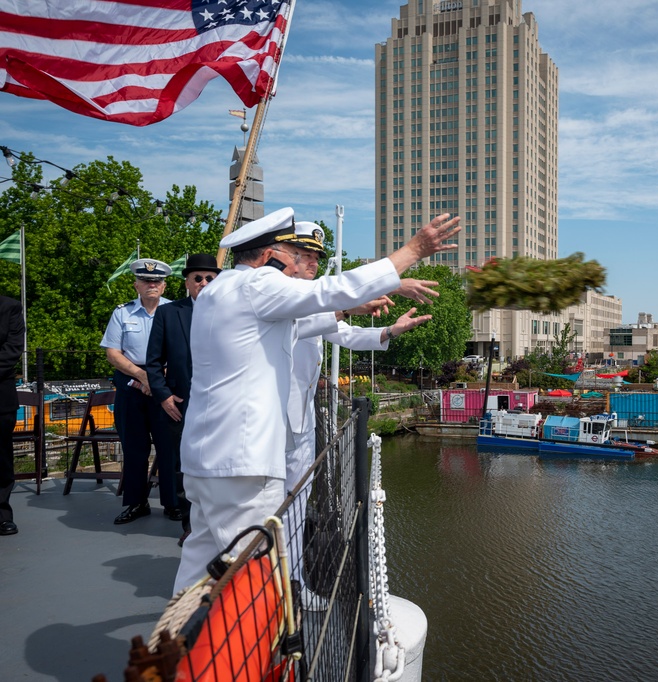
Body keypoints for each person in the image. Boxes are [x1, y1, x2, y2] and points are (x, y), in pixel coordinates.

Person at [172, 208, 460, 594]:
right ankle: (258, 649)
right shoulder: (258, 285)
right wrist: (411, 251)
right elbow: (327, 292)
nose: (296, 264)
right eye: (293, 254)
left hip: (205, 457)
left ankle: (170, 649)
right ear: (267, 256)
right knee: (249, 572)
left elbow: (309, 319)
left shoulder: (218, 292)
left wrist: (363, 312)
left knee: (198, 563)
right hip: (244, 462)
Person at [280, 223, 435, 608]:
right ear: (285, 256)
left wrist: (391, 332)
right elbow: (330, 308)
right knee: (273, 509)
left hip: (298, 422)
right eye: (307, 256)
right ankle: (270, 590)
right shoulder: (281, 299)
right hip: (273, 425)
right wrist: (393, 282)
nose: (314, 263)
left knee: (295, 509)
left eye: (318, 257)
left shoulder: (307, 302)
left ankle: (292, 586)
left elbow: (345, 334)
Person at [145, 254, 221, 544]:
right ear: (187, 282)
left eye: (209, 278)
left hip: (220, 403)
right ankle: (191, 525)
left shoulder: (229, 312)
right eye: (197, 278)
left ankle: (217, 523)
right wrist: (164, 397)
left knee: (217, 465)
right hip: (180, 404)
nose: (203, 283)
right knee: (183, 465)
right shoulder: (168, 314)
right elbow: (153, 362)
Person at [100, 259, 177, 525]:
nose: (151, 284)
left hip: (167, 384)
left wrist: (156, 378)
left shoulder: (175, 312)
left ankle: (173, 503)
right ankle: (136, 503)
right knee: (134, 448)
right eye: (146, 281)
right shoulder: (122, 313)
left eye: (156, 281)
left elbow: (183, 353)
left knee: (170, 448)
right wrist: (144, 376)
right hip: (131, 384)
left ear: (164, 285)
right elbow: (113, 353)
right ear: (136, 285)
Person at [0, 295, 25, 537]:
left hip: (1, 396)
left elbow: (13, 348)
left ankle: (2, 516)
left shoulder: (10, 308)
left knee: (2, 460)